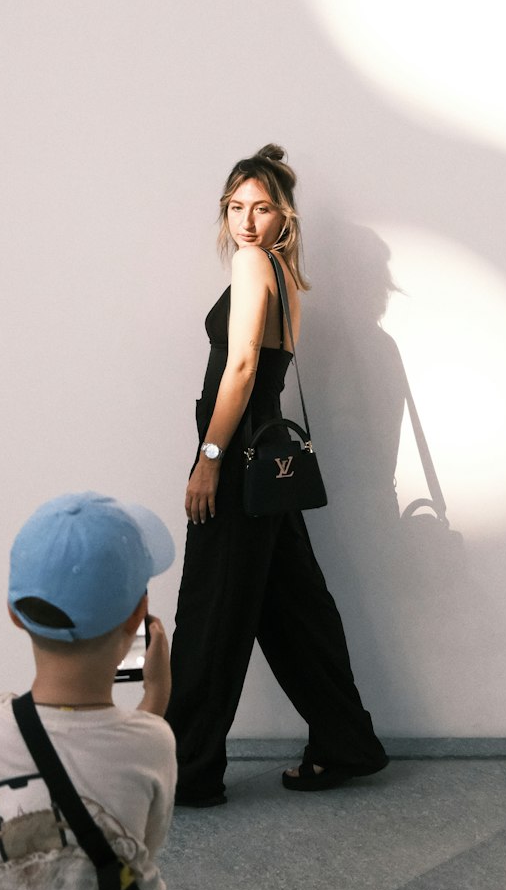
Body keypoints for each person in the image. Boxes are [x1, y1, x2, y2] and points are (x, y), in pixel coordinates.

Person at [165, 143, 388, 806]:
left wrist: (208, 460)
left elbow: (239, 370)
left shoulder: (253, 264)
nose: (246, 221)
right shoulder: (288, 279)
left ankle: (189, 771)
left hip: (236, 460)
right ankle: (346, 742)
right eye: (236, 207)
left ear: (283, 216)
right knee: (295, 613)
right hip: (271, 464)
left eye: (261, 208)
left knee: (210, 616)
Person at [0, 491, 177, 890]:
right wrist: (155, 694)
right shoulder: (152, 741)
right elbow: (136, 850)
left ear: (15, 613)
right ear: (139, 617)